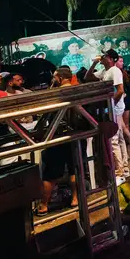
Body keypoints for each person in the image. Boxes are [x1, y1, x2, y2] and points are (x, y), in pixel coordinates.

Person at [36, 67, 79, 216]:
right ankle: (75, 199)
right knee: (75, 168)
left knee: (50, 174)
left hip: (58, 136)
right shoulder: (78, 90)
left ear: (60, 78)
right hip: (76, 134)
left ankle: (43, 205)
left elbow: (45, 111)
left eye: (54, 77)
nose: (53, 80)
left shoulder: (55, 93)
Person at [98, 51, 130, 183]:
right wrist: (95, 63)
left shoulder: (114, 71)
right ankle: (124, 168)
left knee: (114, 140)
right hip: (114, 109)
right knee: (119, 138)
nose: (102, 57)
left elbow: (120, 90)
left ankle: (120, 172)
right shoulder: (104, 71)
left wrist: (111, 105)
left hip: (115, 110)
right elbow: (87, 77)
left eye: (104, 56)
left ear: (111, 59)